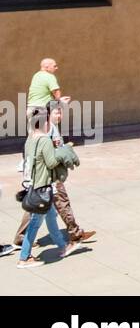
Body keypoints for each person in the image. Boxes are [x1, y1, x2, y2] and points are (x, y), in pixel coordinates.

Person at [15, 105, 78, 268]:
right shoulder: (44, 140)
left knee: (51, 217)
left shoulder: (30, 139)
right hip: (43, 187)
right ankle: (24, 257)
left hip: (33, 185)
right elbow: (51, 162)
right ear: (44, 122)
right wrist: (64, 151)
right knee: (36, 222)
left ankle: (63, 245)